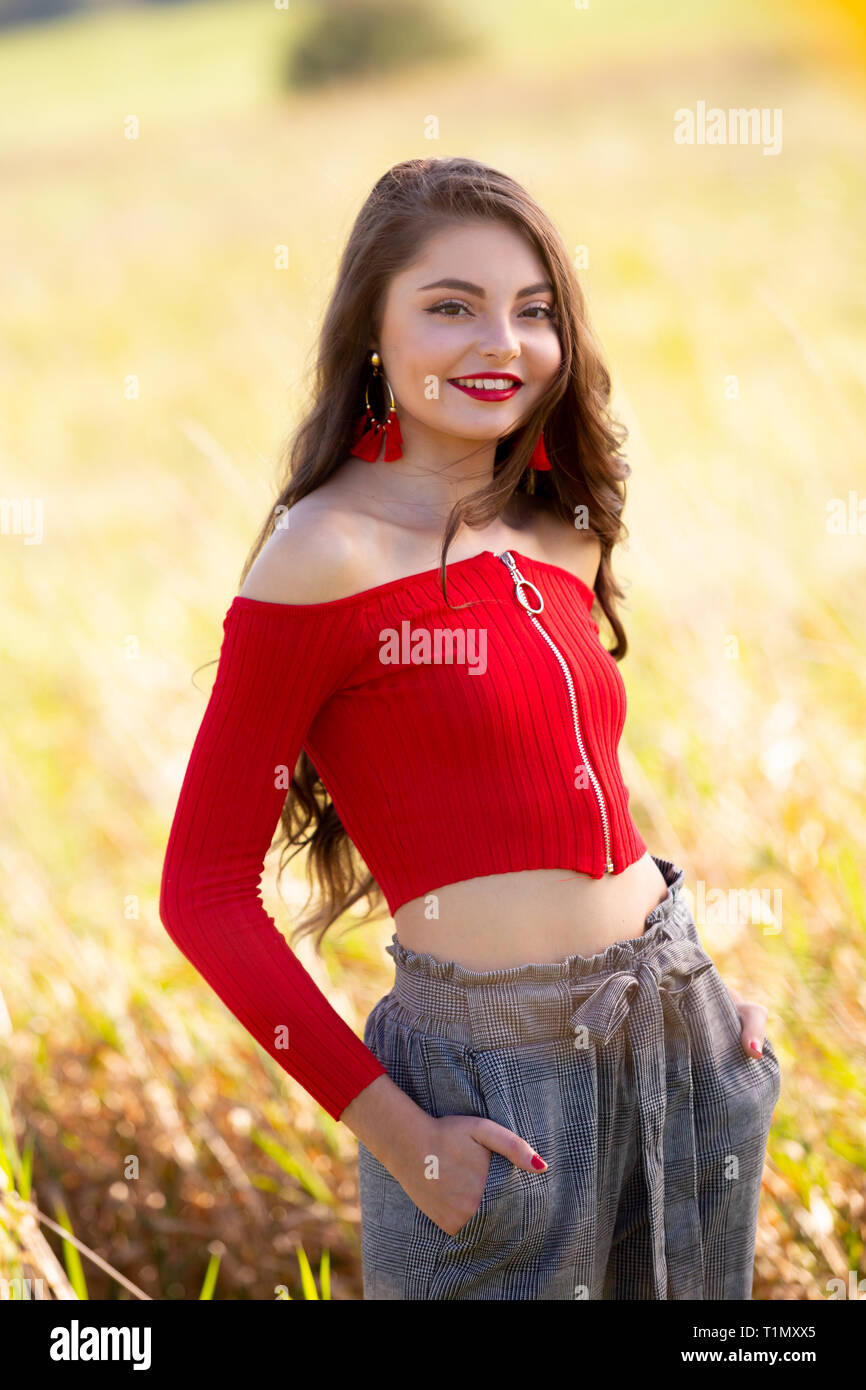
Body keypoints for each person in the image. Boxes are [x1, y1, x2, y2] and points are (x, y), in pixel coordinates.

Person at [159, 156, 781, 1300]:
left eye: (532, 311)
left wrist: (693, 988)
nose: (499, 343)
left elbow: (577, 787)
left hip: (678, 1042)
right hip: (487, 1097)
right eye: (450, 307)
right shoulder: (320, 553)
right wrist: (407, 1140)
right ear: (371, 335)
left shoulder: (561, 534)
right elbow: (201, 892)